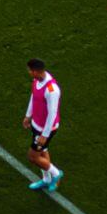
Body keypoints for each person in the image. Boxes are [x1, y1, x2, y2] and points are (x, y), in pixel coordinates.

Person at [22, 59, 63, 191]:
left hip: (46, 129)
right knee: (42, 151)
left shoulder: (52, 90)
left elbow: (52, 113)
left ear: (36, 71)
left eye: (30, 70)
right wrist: (28, 115)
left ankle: (56, 174)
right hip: (36, 124)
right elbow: (33, 98)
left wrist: (44, 135)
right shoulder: (37, 81)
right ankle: (46, 179)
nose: (28, 72)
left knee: (33, 156)